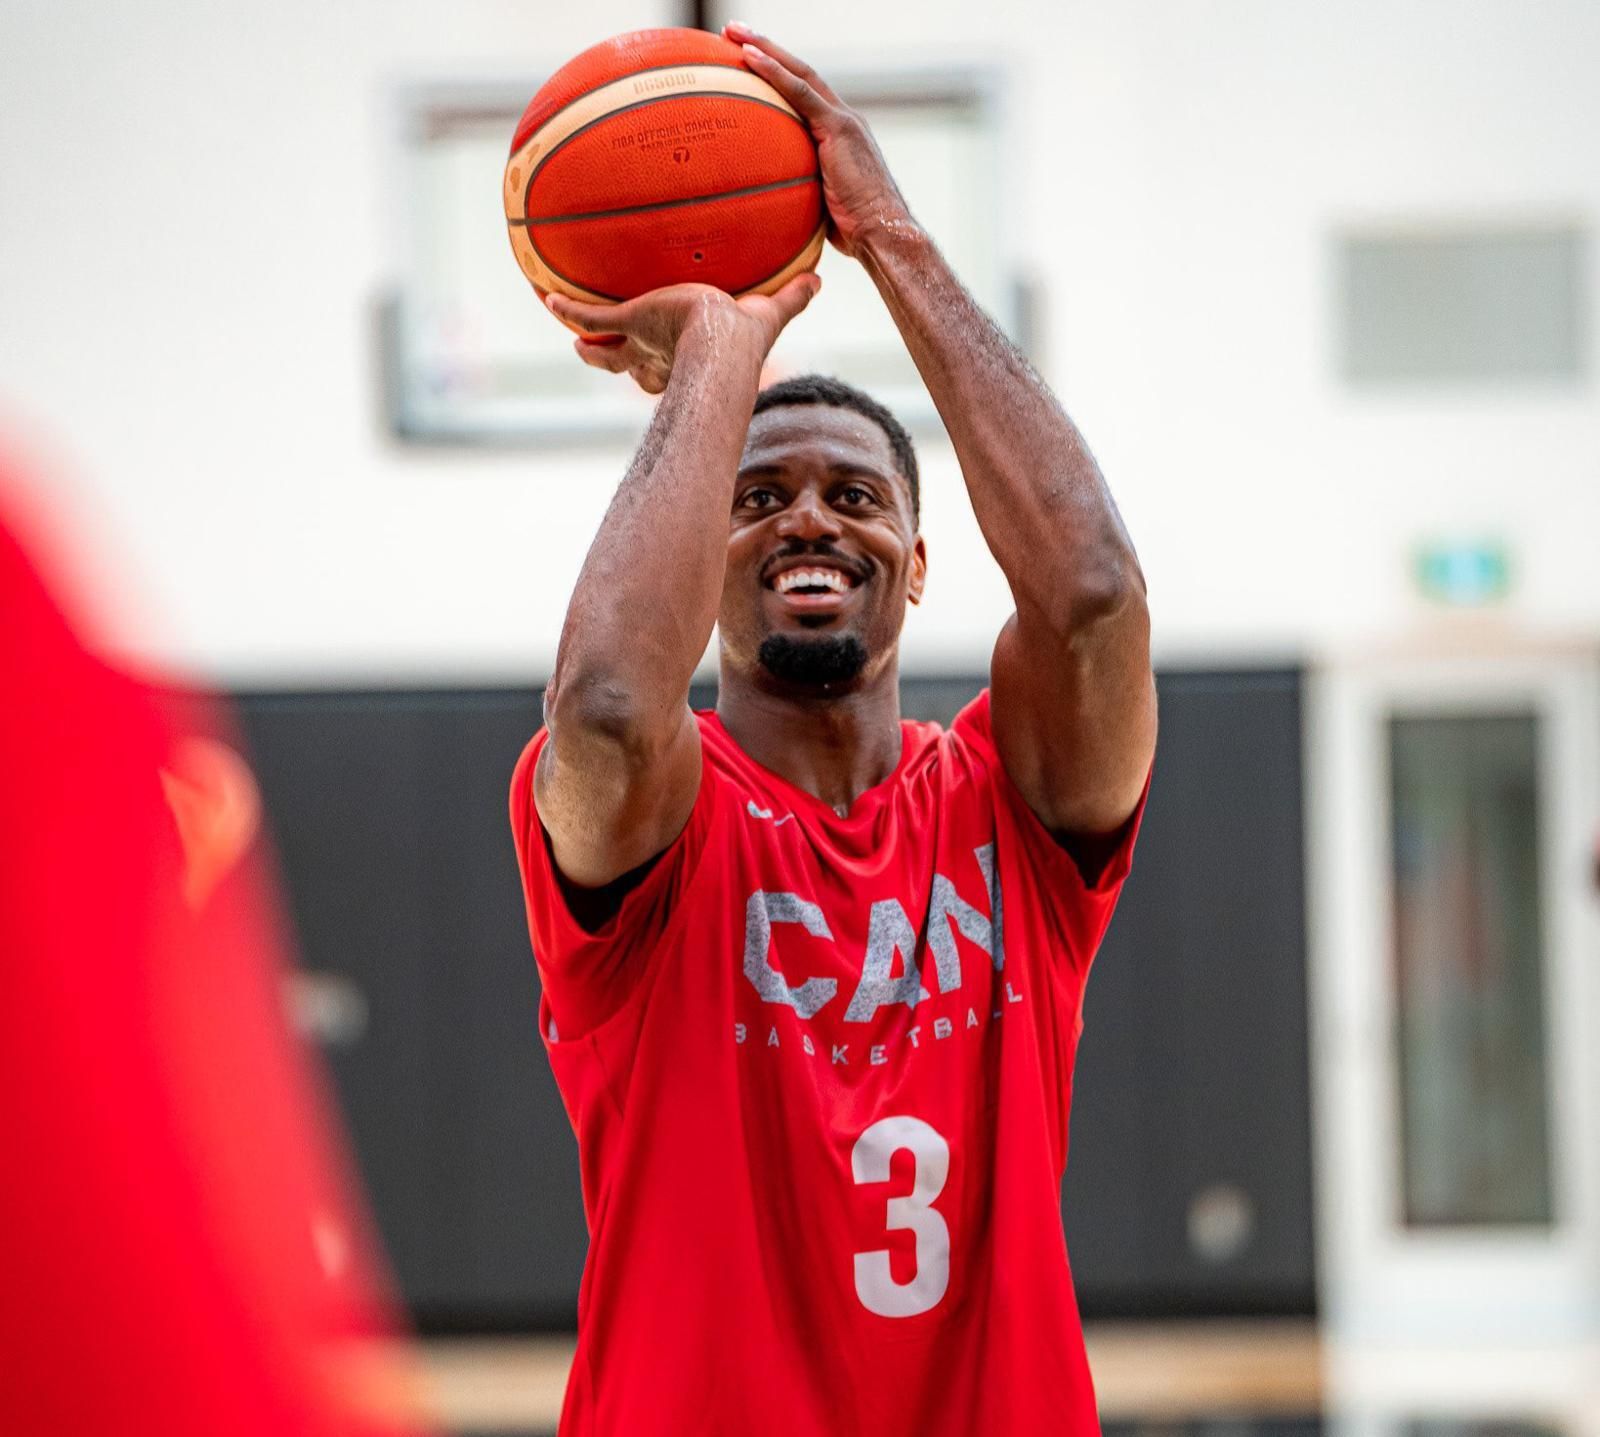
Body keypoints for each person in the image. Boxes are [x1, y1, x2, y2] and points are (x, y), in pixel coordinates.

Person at [508, 23, 1156, 1437]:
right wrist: (715, 359)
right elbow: (612, 707)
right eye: (757, 496)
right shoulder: (656, 825)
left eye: (858, 498)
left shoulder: (1014, 804)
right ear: (706, 551)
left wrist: (895, 243)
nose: (810, 515)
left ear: (920, 564)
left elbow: (1095, 600)